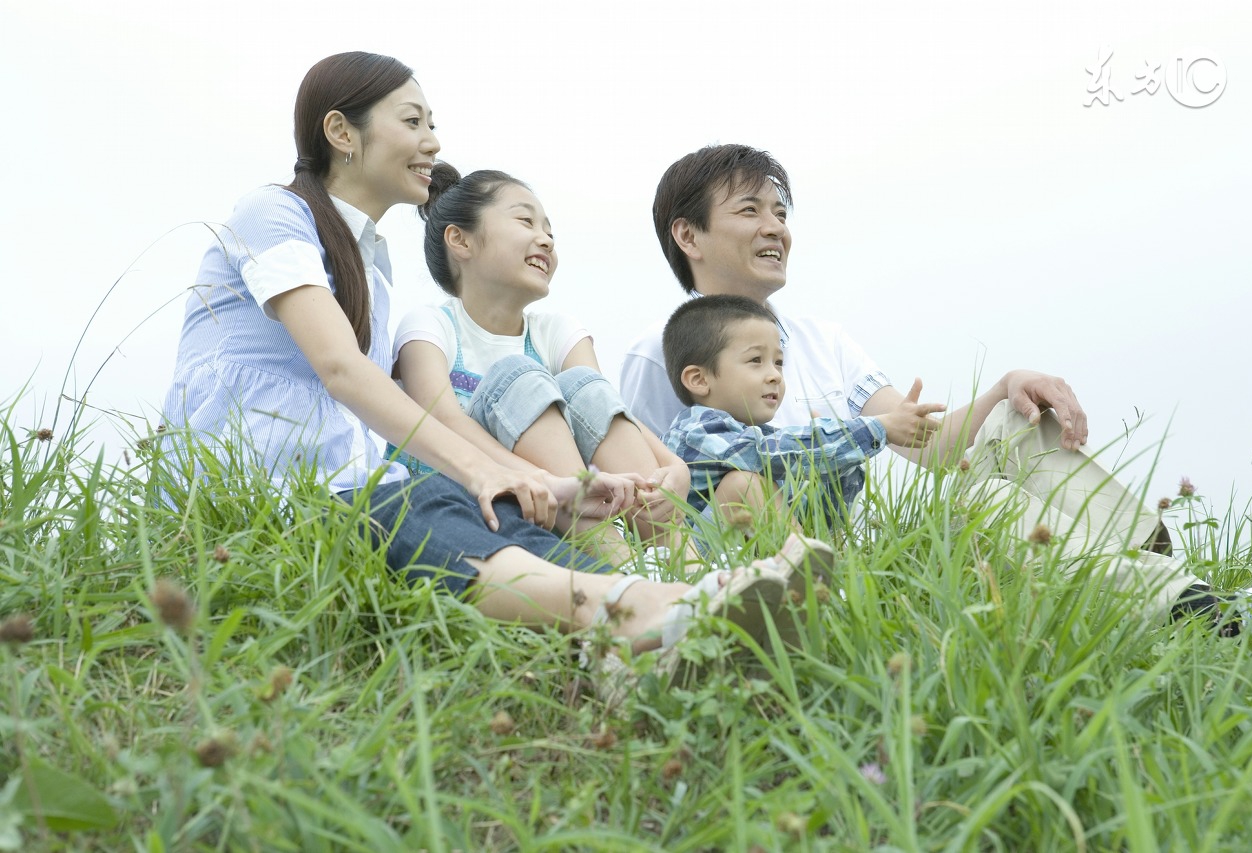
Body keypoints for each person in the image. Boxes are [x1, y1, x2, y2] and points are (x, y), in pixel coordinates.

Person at [160, 54, 826, 688]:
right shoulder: (275, 214)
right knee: (416, 505)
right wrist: (491, 468)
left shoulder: (372, 265)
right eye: (413, 121)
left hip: (349, 486)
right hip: (258, 489)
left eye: (433, 124)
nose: (432, 141)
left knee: (494, 520)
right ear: (341, 131)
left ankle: (643, 642)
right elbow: (340, 370)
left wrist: (538, 486)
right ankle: (657, 604)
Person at [620, 143, 1236, 631]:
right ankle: (1177, 607)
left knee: (1015, 422)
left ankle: (1177, 584)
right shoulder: (659, 354)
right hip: (805, 565)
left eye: (780, 211)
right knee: (983, 503)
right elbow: (655, 511)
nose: (775, 228)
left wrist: (1003, 387)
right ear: (688, 235)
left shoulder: (824, 339)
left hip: (865, 543)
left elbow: (929, 447)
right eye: (750, 211)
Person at [387, 166, 694, 567]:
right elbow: (440, 420)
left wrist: (674, 467)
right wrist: (547, 482)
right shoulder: (430, 325)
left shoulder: (556, 330)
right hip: (464, 492)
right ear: (460, 240)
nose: (546, 239)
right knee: (520, 378)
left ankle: (686, 565)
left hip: (557, 500)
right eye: (525, 221)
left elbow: (606, 408)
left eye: (550, 230)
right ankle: (622, 566)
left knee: (582, 382)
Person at [660, 295, 943, 536]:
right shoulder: (697, 431)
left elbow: (819, 520)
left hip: (747, 574)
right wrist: (876, 428)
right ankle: (815, 578)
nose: (774, 375)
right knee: (744, 485)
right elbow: (769, 454)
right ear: (699, 379)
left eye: (779, 362)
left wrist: (836, 468)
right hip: (695, 566)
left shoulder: (759, 441)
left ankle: (815, 578)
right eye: (755, 360)